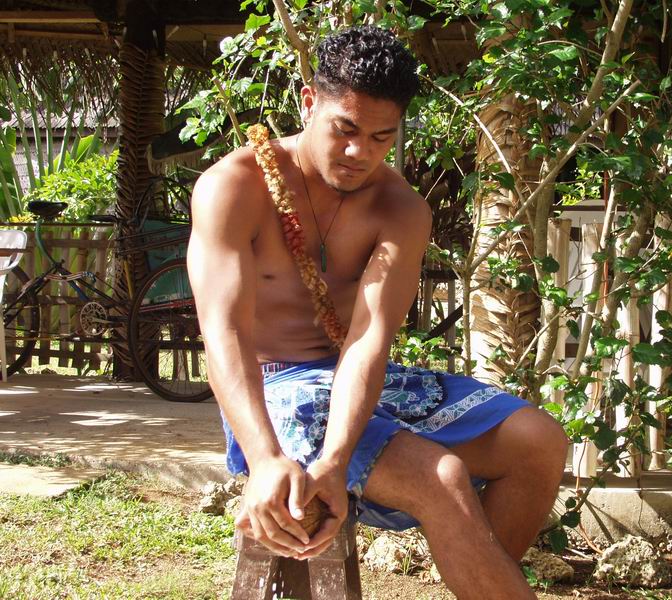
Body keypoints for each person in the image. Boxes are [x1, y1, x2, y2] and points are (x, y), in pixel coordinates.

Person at [188, 25, 568, 599]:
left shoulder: (401, 209)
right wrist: (265, 459)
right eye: (345, 129)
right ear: (308, 101)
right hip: (273, 389)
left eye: (380, 137)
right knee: (440, 477)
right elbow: (223, 332)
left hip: (355, 379)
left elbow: (367, 340)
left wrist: (337, 459)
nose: (358, 152)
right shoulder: (234, 187)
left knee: (538, 440)